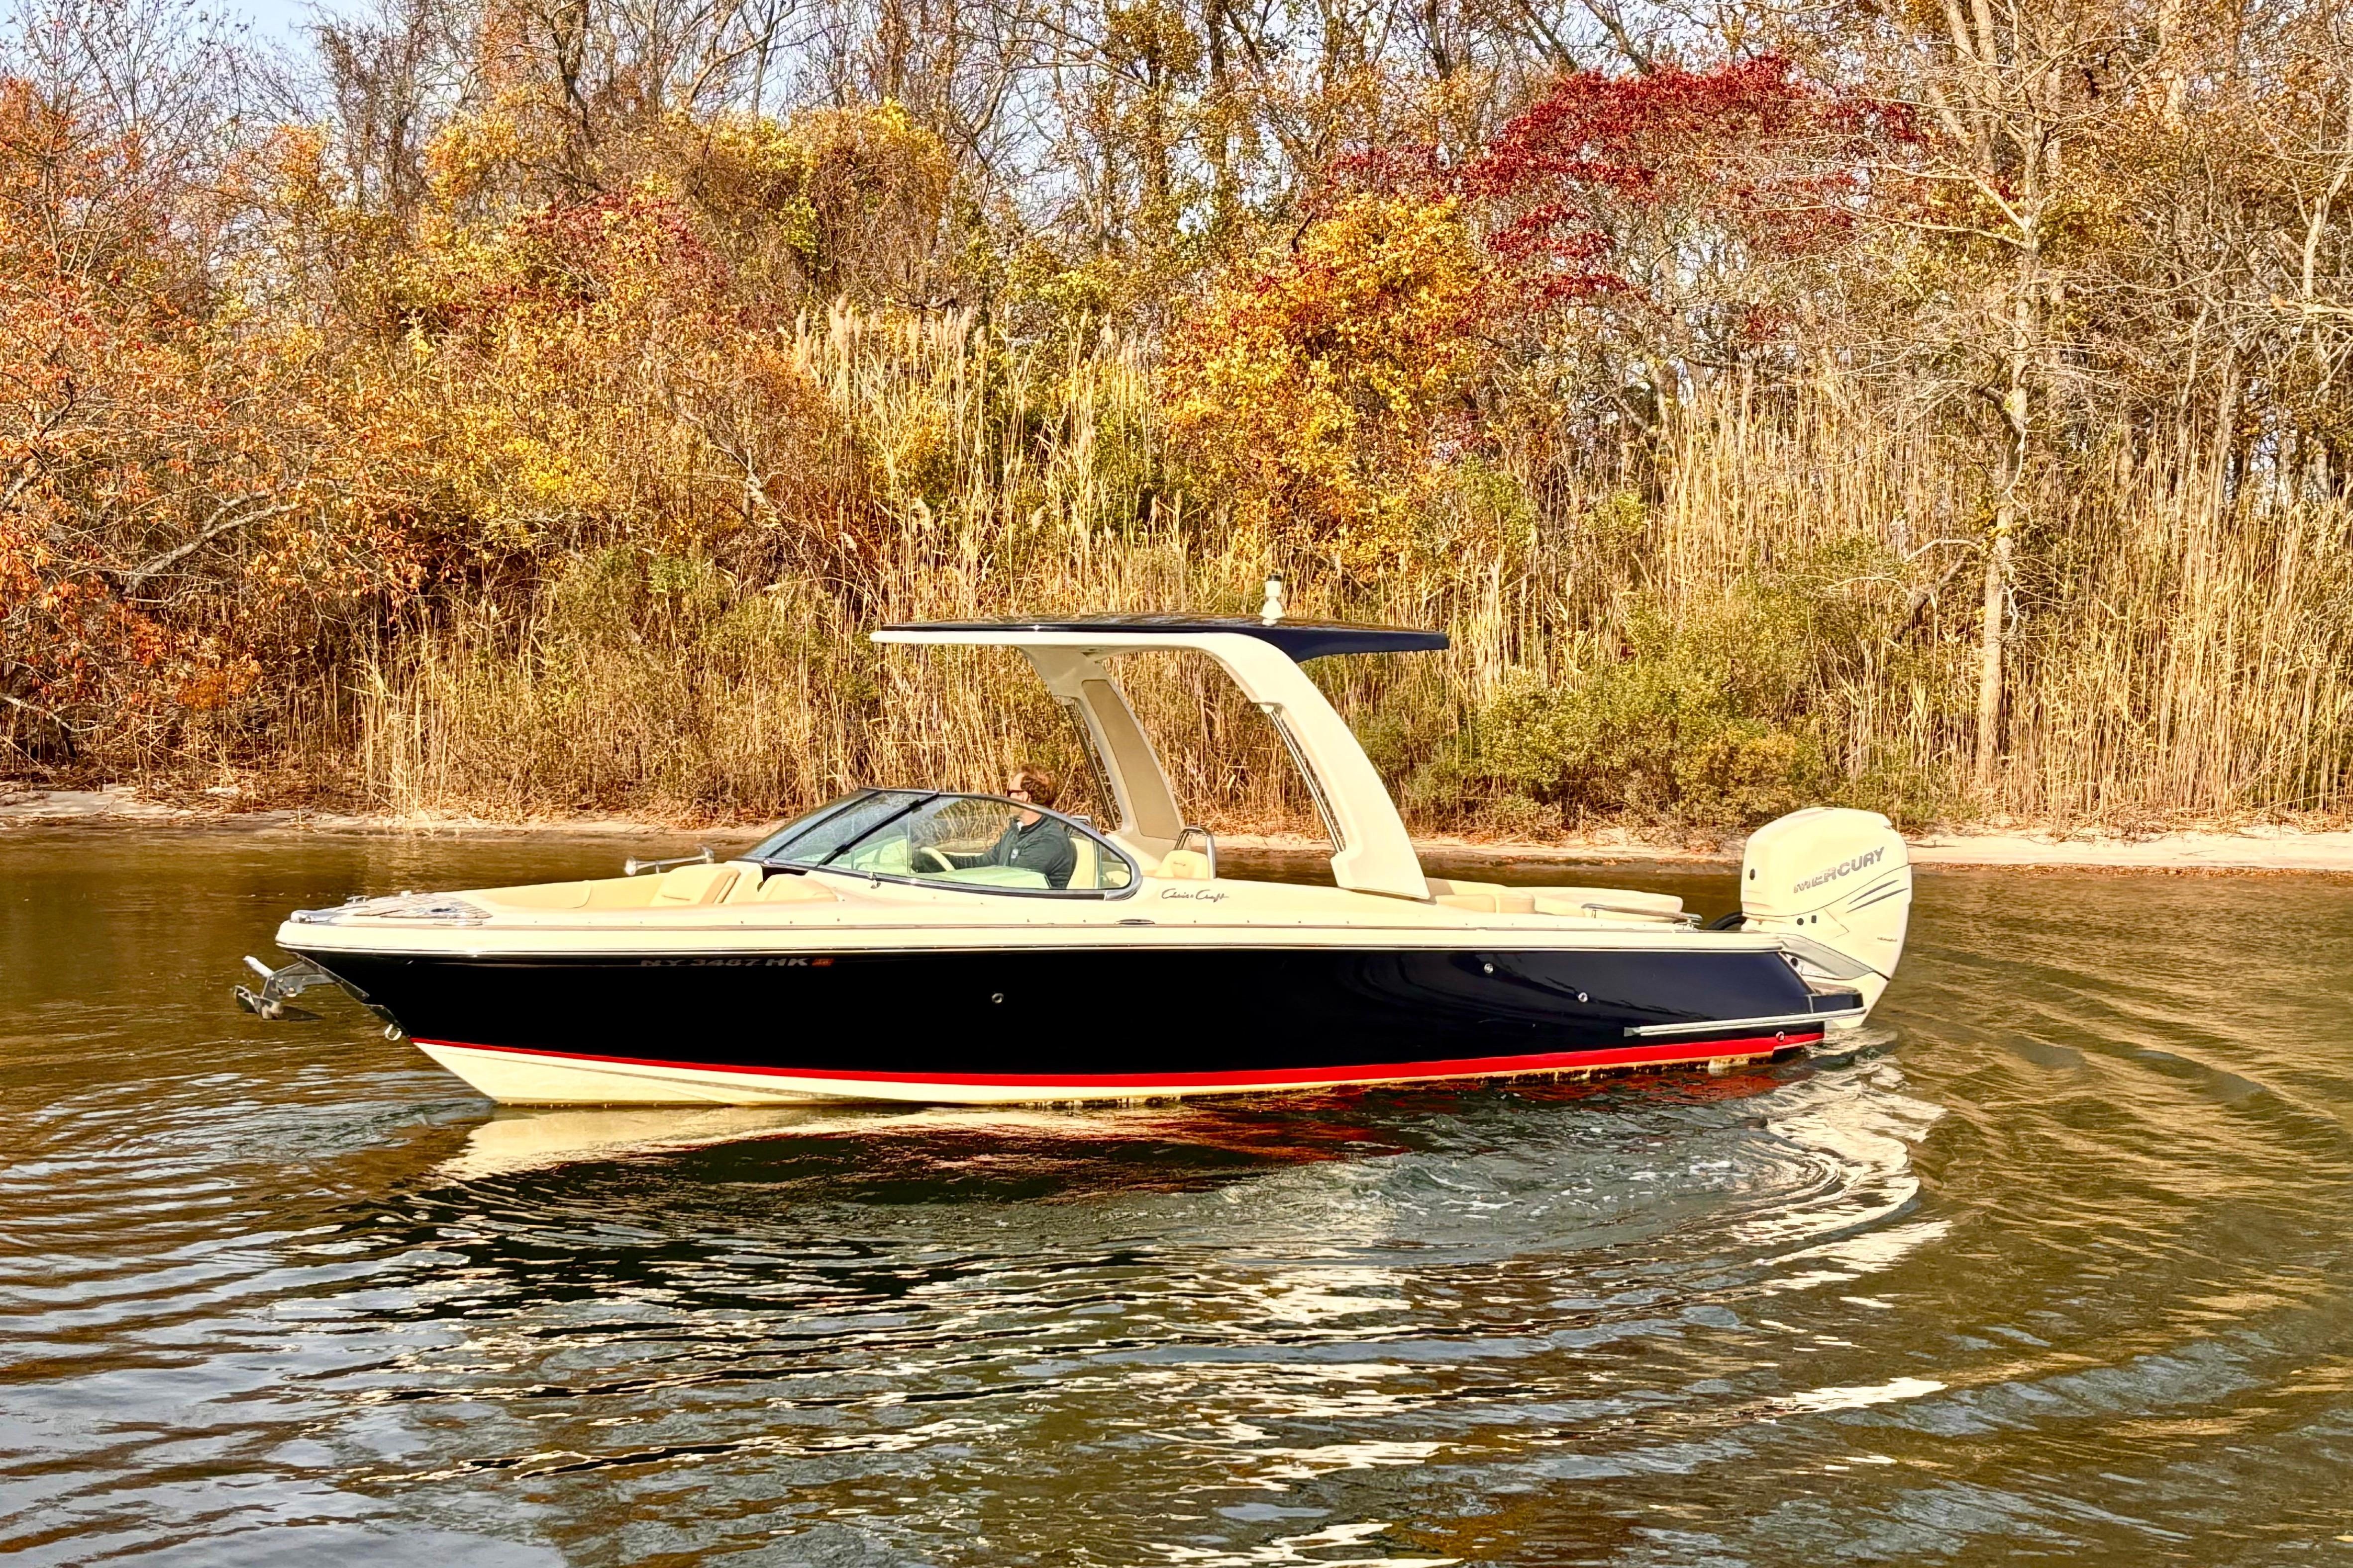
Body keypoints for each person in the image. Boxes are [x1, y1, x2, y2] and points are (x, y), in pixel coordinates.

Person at [986, 766, 1078, 889]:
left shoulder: (1049, 842)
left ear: (1023, 796)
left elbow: (1012, 884)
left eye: (1010, 793)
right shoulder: (1017, 830)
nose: (1007, 797)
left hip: (1033, 906)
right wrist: (951, 863)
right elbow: (984, 862)